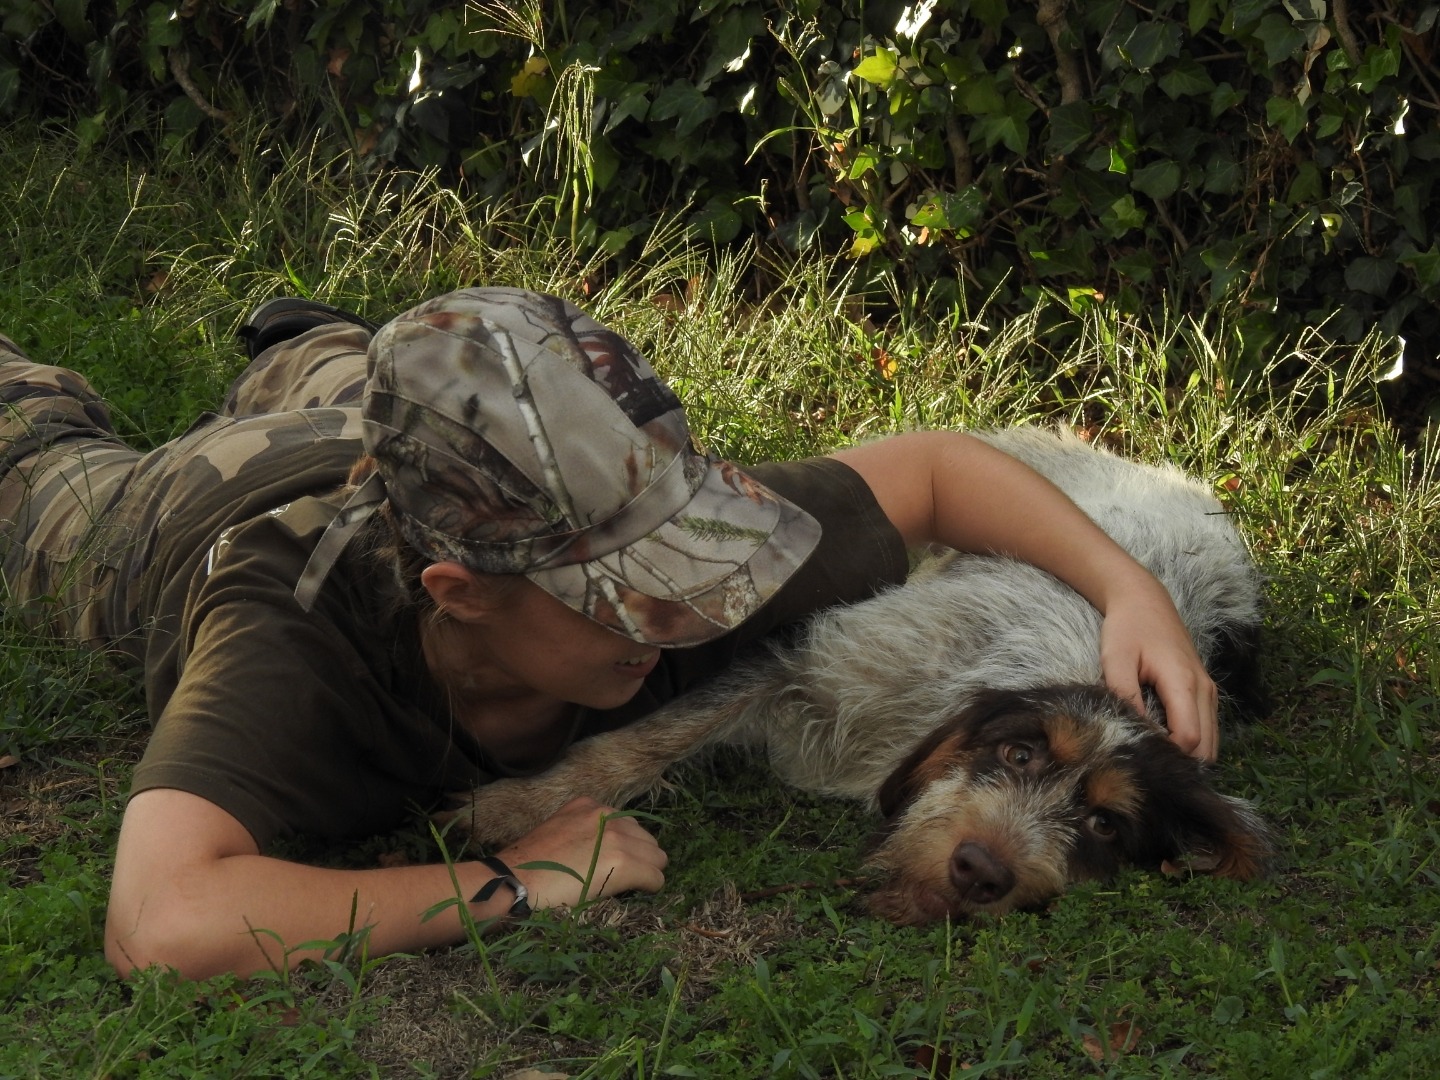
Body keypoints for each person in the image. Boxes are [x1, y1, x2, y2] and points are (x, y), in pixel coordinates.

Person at [0, 287, 1219, 981]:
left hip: (390, 462)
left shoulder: (652, 527)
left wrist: (1131, 594)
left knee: (361, 373)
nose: (687, 609)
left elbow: (947, 471)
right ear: (464, 593)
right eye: (627, 588)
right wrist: (518, 881)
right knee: (41, 454)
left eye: (684, 552)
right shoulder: (288, 640)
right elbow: (160, 922)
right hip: (189, 515)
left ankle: (312, 344)